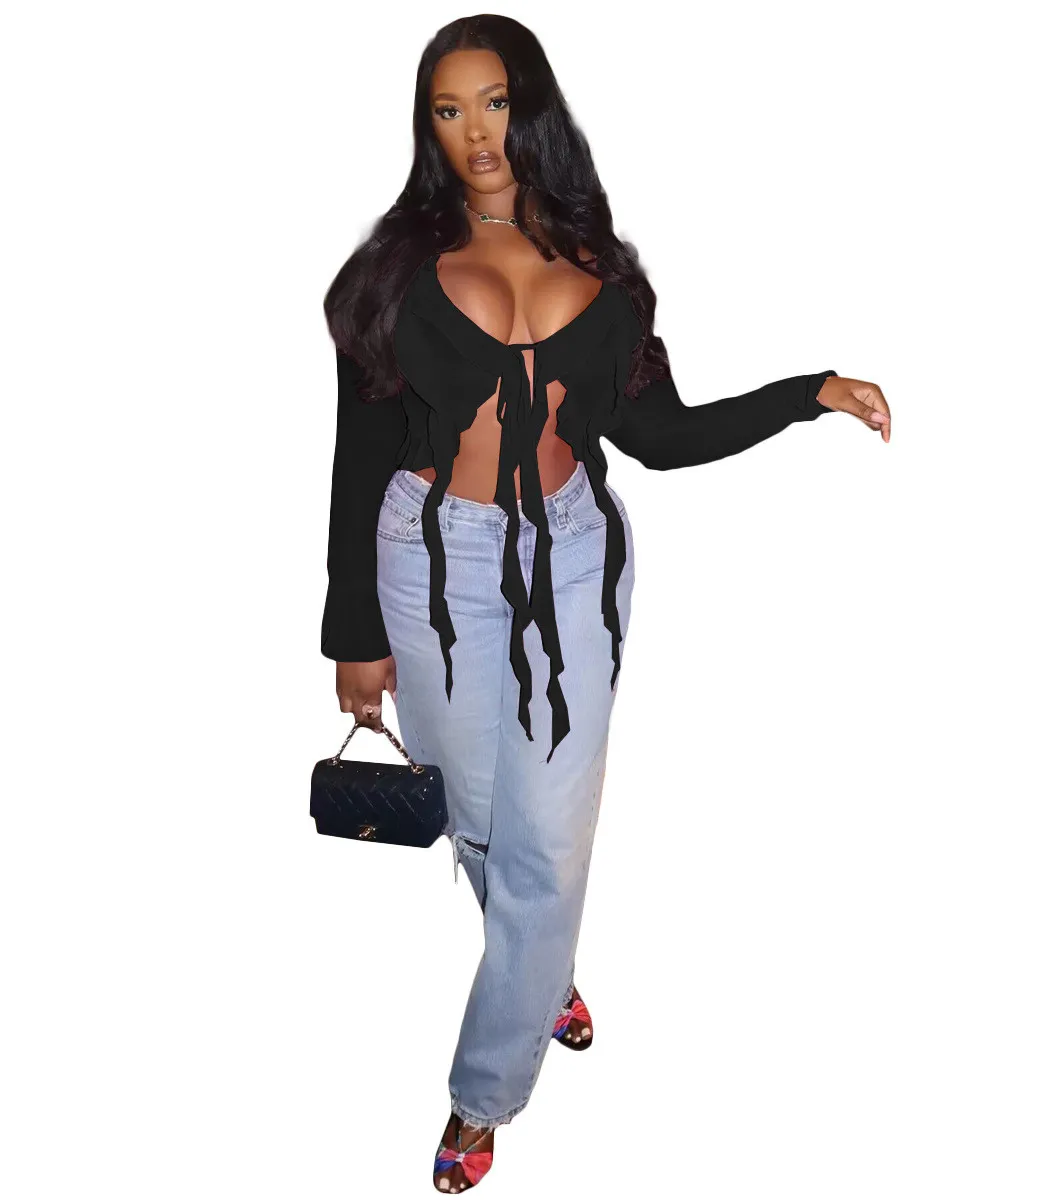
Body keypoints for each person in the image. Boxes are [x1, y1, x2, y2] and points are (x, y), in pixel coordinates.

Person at [320, 16, 891, 1194]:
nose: (475, 133)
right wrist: (353, 636)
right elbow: (359, 454)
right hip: (428, 565)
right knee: (479, 818)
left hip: (572, 563)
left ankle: (483, 1095)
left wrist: (808, 394)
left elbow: (661, 438)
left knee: (548, 840)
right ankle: (543, 969)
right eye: (447, 110)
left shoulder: (603, 273)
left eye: (493, 102)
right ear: (428, 127)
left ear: (530, 106)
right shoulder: (392, 275)